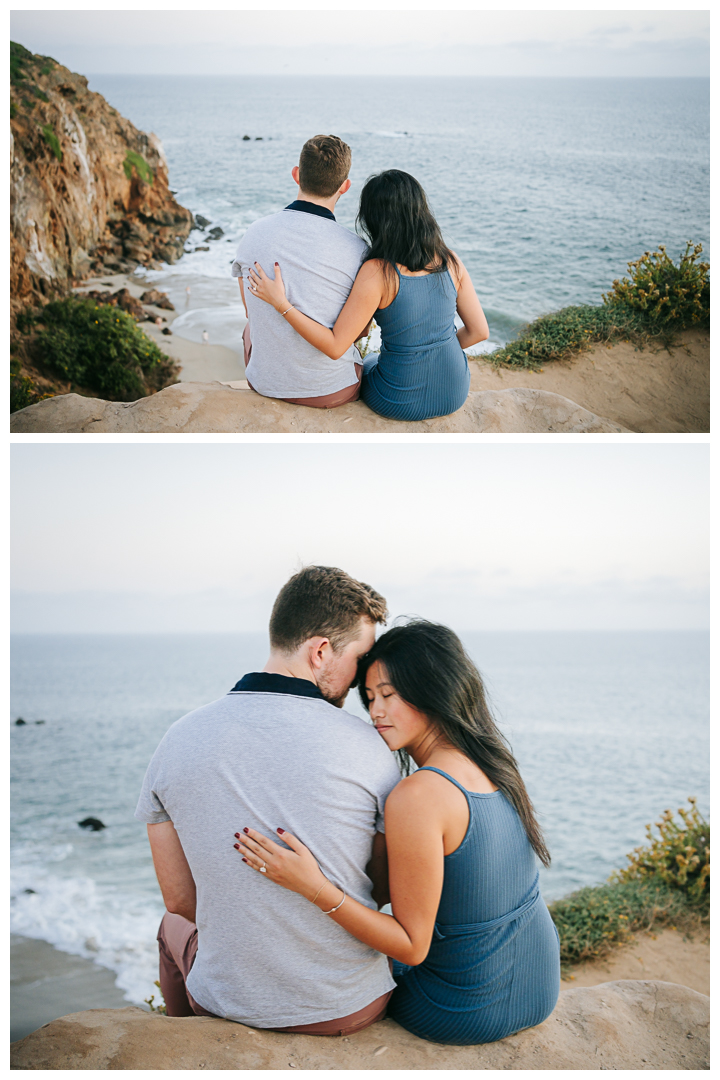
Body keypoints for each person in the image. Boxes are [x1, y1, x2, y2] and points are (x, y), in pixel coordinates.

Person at [235, 620, 561, 1046]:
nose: (376, 713)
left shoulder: (419, 795)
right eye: (369, 698)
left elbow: (410, 948)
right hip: (540, 986)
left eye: (389, 695)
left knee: (340, 979)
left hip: (465, 1008)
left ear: (434, 688)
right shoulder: (491, 761)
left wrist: (313, 886)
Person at [135, 566, 401, 1034]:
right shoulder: (370, 747)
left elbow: (179, 899)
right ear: (321, 651)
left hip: (228, 1003)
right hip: (349, 1006)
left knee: (168, 928)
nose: (361, 679)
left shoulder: (177, 740)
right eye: (359, 658)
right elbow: (378, 890)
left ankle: (185, 1042)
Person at [247, 170, 490, 422]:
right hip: (455, 392)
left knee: (370, 361)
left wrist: (281, 303)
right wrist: (432, 354)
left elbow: (334, 346)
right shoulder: (451, 261)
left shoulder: (378, 272)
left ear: (374, 218)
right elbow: (479, 332)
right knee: (377, 358)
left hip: (397, 400)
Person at [231, 135, 369, 408]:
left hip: (264, 384)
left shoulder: (255, 232)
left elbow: (250, 308)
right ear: (345, 187)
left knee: (251, 327)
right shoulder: (358, 250)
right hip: (331, 391)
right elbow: (360, 331)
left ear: (296, 175)